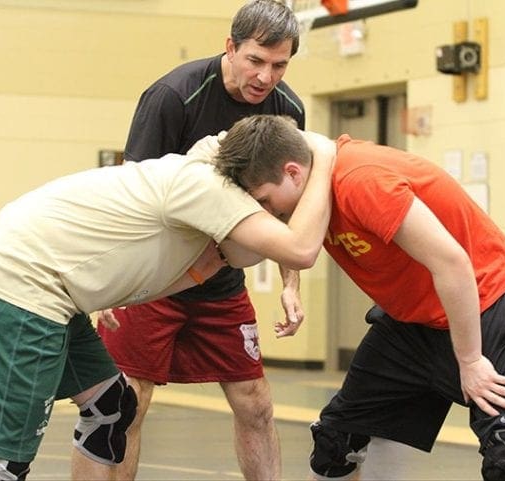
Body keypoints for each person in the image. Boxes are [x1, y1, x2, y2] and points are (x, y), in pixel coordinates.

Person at [0, 122, 336, 481]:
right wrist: (326, 152)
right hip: (26, 283)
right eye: (264, 206)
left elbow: (246, 138)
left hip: (49, 282)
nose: (269, 215)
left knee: (111, 407)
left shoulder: (212, 159)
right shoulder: (207, 188)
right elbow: (300, 250)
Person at [214, 115, 505, 481]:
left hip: (482, 300)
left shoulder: (361, 182)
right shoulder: (308, 193)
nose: (268, 212)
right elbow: (293, 239)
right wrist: (291, 286)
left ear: (293, 172)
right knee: (335, 444)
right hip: (411, 320)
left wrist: (471, 360)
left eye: (266, 201)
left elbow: (453, 263)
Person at [96, 1, 305, 479]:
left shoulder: (288, 109)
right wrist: (111, 282)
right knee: (126, 403)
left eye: (279, 65)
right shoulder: (174, 95)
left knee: (256, 403)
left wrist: (291, 285)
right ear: (230, 47)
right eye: (256, 60)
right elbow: (131, 196)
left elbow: (289, 205)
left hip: (222, 281)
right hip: (153, 279)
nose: (265, 77)